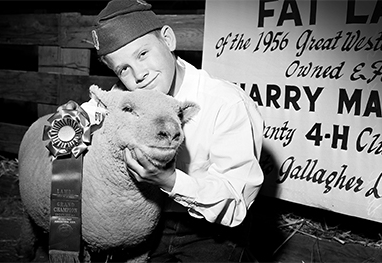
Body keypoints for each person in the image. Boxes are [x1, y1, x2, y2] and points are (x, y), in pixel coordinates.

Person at [83, 0, 265, 261]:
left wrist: (169, 180)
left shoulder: (226, 104)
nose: (139, 75)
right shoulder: (126, 97)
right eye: (123, 69)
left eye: (142, 54)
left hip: (211, 231)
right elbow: (90, 113)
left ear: (168, 39)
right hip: (145, 221)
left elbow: (235, 205)